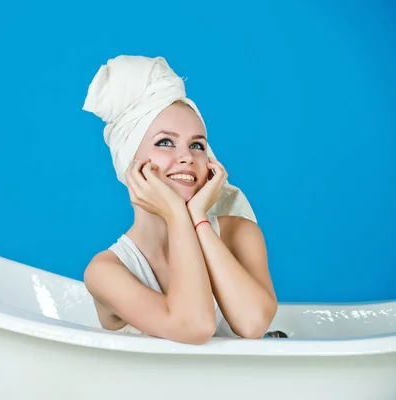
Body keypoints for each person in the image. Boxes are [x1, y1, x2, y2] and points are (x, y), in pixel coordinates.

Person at [82, 55, 278, 345]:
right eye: (165, 142)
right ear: (129, 161)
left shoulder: (239, 232)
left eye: (197, 145)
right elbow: (194, 326)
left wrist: (197, 218)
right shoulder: (106, 271)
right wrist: (177, 215)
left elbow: (253, 324)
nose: (187, 157)